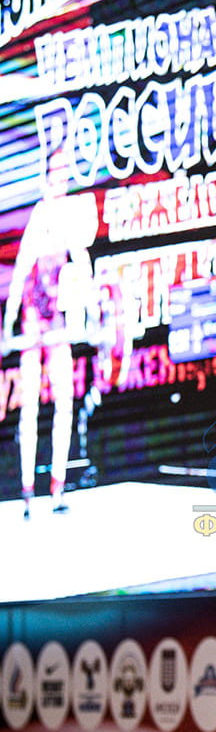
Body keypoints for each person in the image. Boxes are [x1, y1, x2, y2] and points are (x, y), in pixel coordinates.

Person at [2, 147, 98, 517]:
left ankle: (57, 488)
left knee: (64, 402)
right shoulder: (40, 215)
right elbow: (22, 266)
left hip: (56, 320)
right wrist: (11, 320)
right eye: (55, 173)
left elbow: (81, 260)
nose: (61, 180)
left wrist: (90, 309)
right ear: (46, 178)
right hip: (32, 321)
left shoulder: (68, 215)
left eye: (64, 174)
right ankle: (28, 492)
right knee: (30, 406)